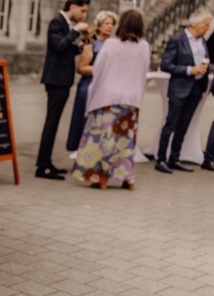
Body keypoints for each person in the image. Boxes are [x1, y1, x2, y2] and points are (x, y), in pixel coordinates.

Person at [72, 10, 148, 190]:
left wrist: (93, 93)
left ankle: (101, 177)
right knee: (125, 141)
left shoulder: (111, 44)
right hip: (130, 99)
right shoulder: (144, 46)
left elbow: (99, 69)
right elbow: (142, 72)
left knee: (102, 139)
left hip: (107, 97)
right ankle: (127, 178)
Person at [37, 0, 90, 180]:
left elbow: (64, 50)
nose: (83, 15)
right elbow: (58, 46)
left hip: (62, 80)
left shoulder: (65, 24)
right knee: (51, 123)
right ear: (73, 6)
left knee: (54, 123)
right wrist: (75, 31)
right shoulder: (57, 22)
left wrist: (79, 46)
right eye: (82, 11)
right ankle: (42, 166)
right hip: (55, 81)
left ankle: (46, 162)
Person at [154, 10, 212, 174]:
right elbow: (166, 64)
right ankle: (160, 159)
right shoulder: (177, 40)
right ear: (197, 24)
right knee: (171, 123)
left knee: (183, 126)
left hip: (196, 89)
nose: (208, 28)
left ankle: (174, 158)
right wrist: (189, 70)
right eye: (207, 24)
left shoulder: (203, 42)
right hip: (179, 88)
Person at [66, 11, 117, 159]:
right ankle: (80, 148)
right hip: (90, 85)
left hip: (106, 87)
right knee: (84, 118)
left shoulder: (113, 44)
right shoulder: (91, 43)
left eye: (112, 23)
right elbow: (81, 68)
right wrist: (101, 70)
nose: (110, 26)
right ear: (99, 25)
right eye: (107, 23)